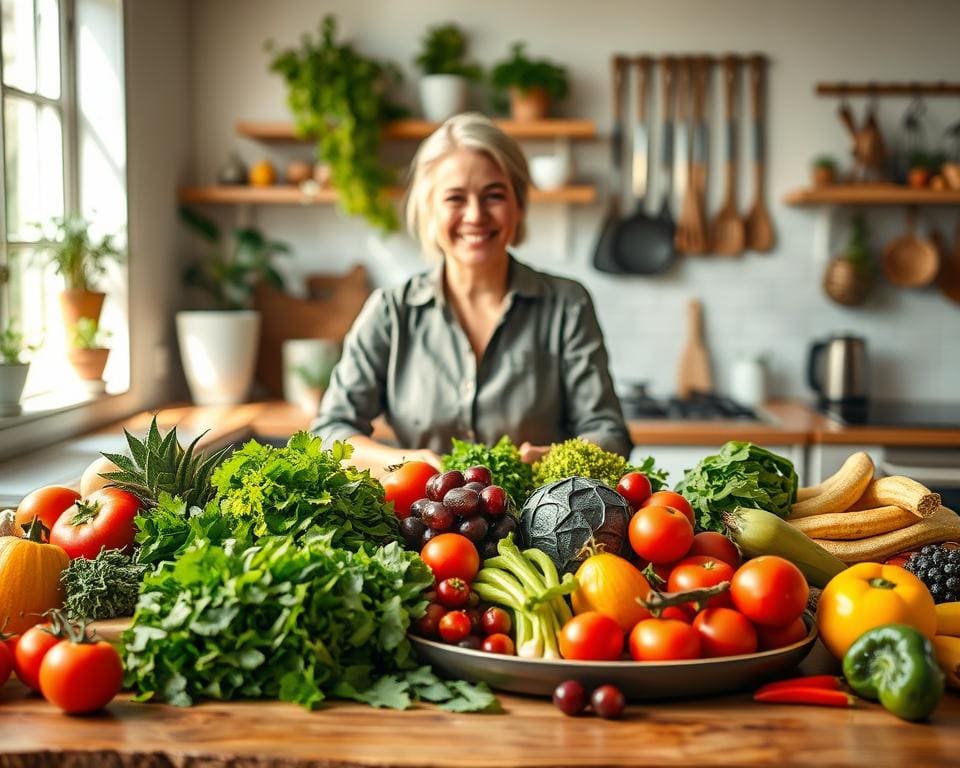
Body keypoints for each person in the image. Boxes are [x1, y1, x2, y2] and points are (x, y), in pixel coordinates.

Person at [312, 112, 631, 475]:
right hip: (423, 525)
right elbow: (329, 433)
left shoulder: (567, 305)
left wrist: (551, 460)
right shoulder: (390, 312)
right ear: (429, 209)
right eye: (455, 198)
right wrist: (404, 463)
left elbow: (610, 433)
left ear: (519, 205)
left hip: (541, 525)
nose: (476, 215)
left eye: (494, 195)